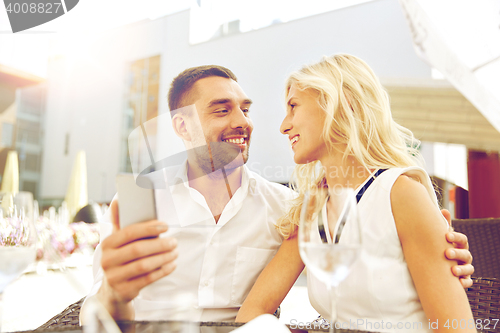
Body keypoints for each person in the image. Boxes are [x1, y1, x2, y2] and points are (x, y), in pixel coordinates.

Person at [81, 64, 474, 323]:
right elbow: (97, 314)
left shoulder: (287, 208)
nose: (244, 122)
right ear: (183, 128)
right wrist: (114, 291)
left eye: (246, 109)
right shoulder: (138, 202)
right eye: (222, 110)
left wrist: (445, 256)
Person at [236, 55, 475, 332]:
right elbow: (252, 313)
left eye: (293, 106)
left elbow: (456, 328)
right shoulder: (312, 208)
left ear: (340, 103)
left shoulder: (400, 194)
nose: (283, 126)